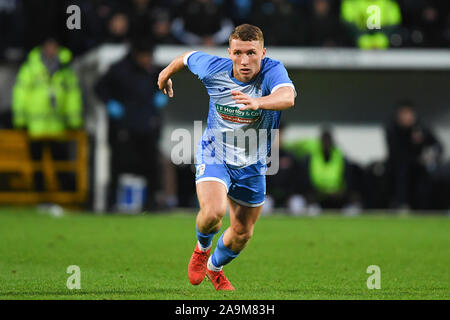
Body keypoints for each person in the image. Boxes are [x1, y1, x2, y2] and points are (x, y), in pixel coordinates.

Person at [158, 24, 296, 291]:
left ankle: (214, 268)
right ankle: (201, 250)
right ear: (229, 52)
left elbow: (287, 96)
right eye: (238, 53)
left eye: (252, 53)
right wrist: (164, 74)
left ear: (263, 53)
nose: (245, 61)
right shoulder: (213, 68)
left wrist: (259, 102)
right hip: (215, 152)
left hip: (253, 163)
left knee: (242, 233)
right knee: (213, 213)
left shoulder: (272, 70)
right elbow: (186, 58)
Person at [95, 39, 168, 211]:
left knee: (151, 167)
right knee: (118, 167)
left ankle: (151, 204)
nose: (148, 60)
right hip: (123, 128)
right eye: (145, 56)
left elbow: (166, 86)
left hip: (148, 128)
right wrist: (110, 103)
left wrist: (162, 94)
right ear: (137, 55)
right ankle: (111, 203)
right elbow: (99, 88)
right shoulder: (118, 70)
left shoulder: (154, 71)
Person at [385, 101, 443, 210]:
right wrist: (416, 157)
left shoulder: (420, 128)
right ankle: (402, 205)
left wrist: (432, 154)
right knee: (403, 170)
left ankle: (426, 207)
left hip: (420, 167)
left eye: (410, 114)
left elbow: (438, 146)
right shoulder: (393, 129)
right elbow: (397, 153)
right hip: (399, 168)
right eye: (404, 114)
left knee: (428, 177)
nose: (408, 117)